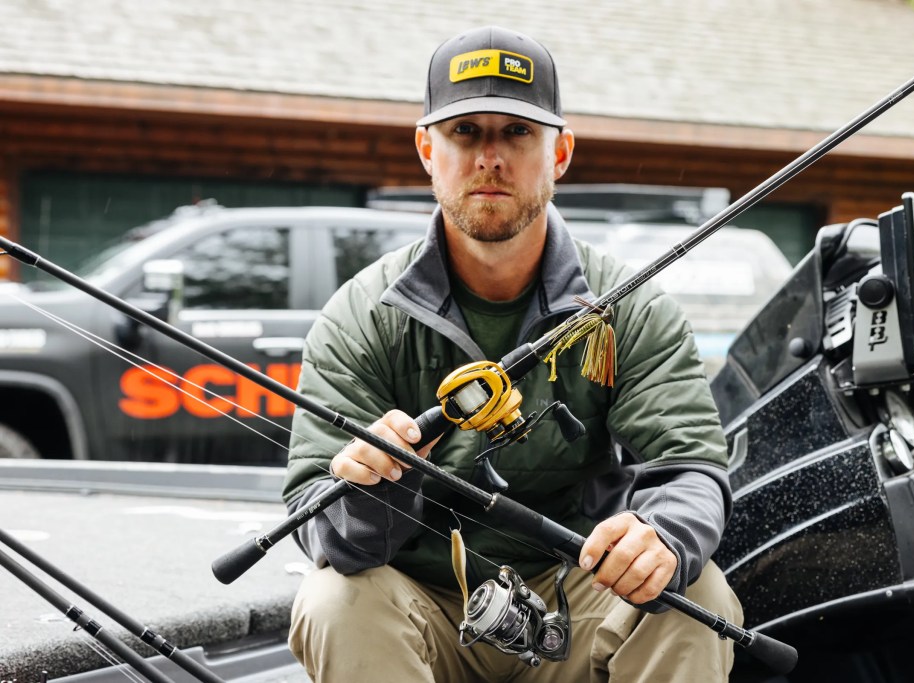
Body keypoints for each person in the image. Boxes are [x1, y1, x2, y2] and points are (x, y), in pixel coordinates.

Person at [283, 25, 742, 682]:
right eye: (465, 131)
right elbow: (325, 526)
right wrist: (370, 488)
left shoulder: (630, 306)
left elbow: (690, 471)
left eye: (518, 132)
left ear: (561, 152)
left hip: (579, 594)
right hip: (420, 608)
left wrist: (664, 536)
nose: (490, 157)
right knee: (333, 600)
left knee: (697, 596)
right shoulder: (359, 315)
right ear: (427, 149)